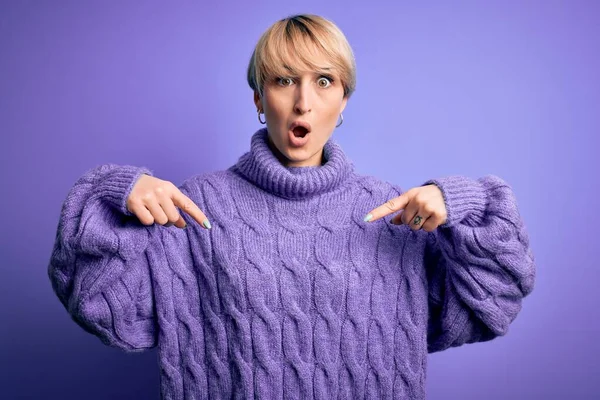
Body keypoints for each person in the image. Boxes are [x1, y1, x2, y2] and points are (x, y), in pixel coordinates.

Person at [48, 14, 536, 400]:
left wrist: (463, 202)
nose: (303, 101)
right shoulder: (194, 207)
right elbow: (104, 308)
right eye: (284, 80)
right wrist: (115, 191)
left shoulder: (392, 211)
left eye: (324, 81)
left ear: (344, 101)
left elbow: (493, 303)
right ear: (260, 99)